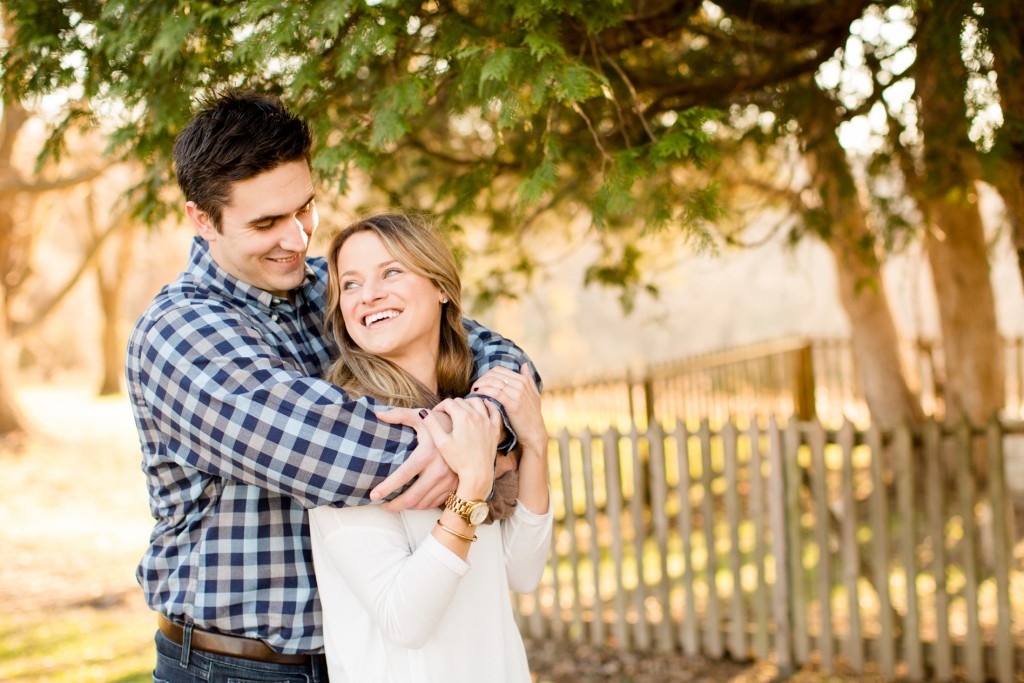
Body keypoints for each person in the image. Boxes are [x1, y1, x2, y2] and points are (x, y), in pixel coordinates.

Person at [125, 90, 533, 683]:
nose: (297, 239)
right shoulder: (180, 334)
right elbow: (343, 456)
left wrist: (490, 426)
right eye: (266, 223)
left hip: (363, 660)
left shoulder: (338, 286)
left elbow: (497, 358)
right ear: (202, 219)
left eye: (305, 209)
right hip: (237, 669)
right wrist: (490, 448)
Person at [308, 212, 551, 682]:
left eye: (391, 272)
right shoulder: (348, 431)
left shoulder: (467, 414)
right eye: (351, 285)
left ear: (441, 286)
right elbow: (405, 620)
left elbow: (523, 572)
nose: (369, 295)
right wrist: (474, 483)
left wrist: (535, 443)